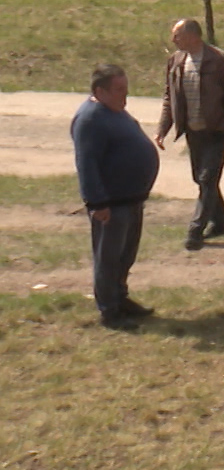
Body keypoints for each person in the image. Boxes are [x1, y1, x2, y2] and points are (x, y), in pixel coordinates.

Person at [71, 64, 160, 331]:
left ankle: (121, 298)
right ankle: (109, 309)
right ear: (100, 91)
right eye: (119, 89)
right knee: (108, 258)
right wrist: (97, 203)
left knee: (125, 255)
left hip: (131, 199)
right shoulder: (90, 120)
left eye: (126, 88)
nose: (126, 95)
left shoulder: (115, 111)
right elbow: (87, 164)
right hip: (111, 204)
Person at [156, 19, 224, 250]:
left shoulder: (220, 59)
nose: (173, 40)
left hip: (216, 131)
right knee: (201, 178)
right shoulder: (176, 61)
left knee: (207, 178)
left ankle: (195, 229)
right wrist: (163, 129)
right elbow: (169, 97)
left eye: (177, 35)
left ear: (193, 35)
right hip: (193, 131)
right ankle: (220, 220)